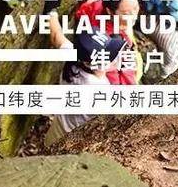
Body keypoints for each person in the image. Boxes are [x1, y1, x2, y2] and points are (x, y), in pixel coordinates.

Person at [44, 11, 127, 146]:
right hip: (71, 144)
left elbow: (56, 37)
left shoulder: (76, 59)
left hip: (56, 130)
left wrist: (51, 12)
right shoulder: (96, 90)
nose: (116, 57)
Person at [74, 0, 141, 84]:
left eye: (135, 8)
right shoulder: (108, 44)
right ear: (110, 11)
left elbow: (82, 11)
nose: (134, 16)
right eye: (127, 13)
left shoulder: (96, 6)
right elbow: (118, 80)